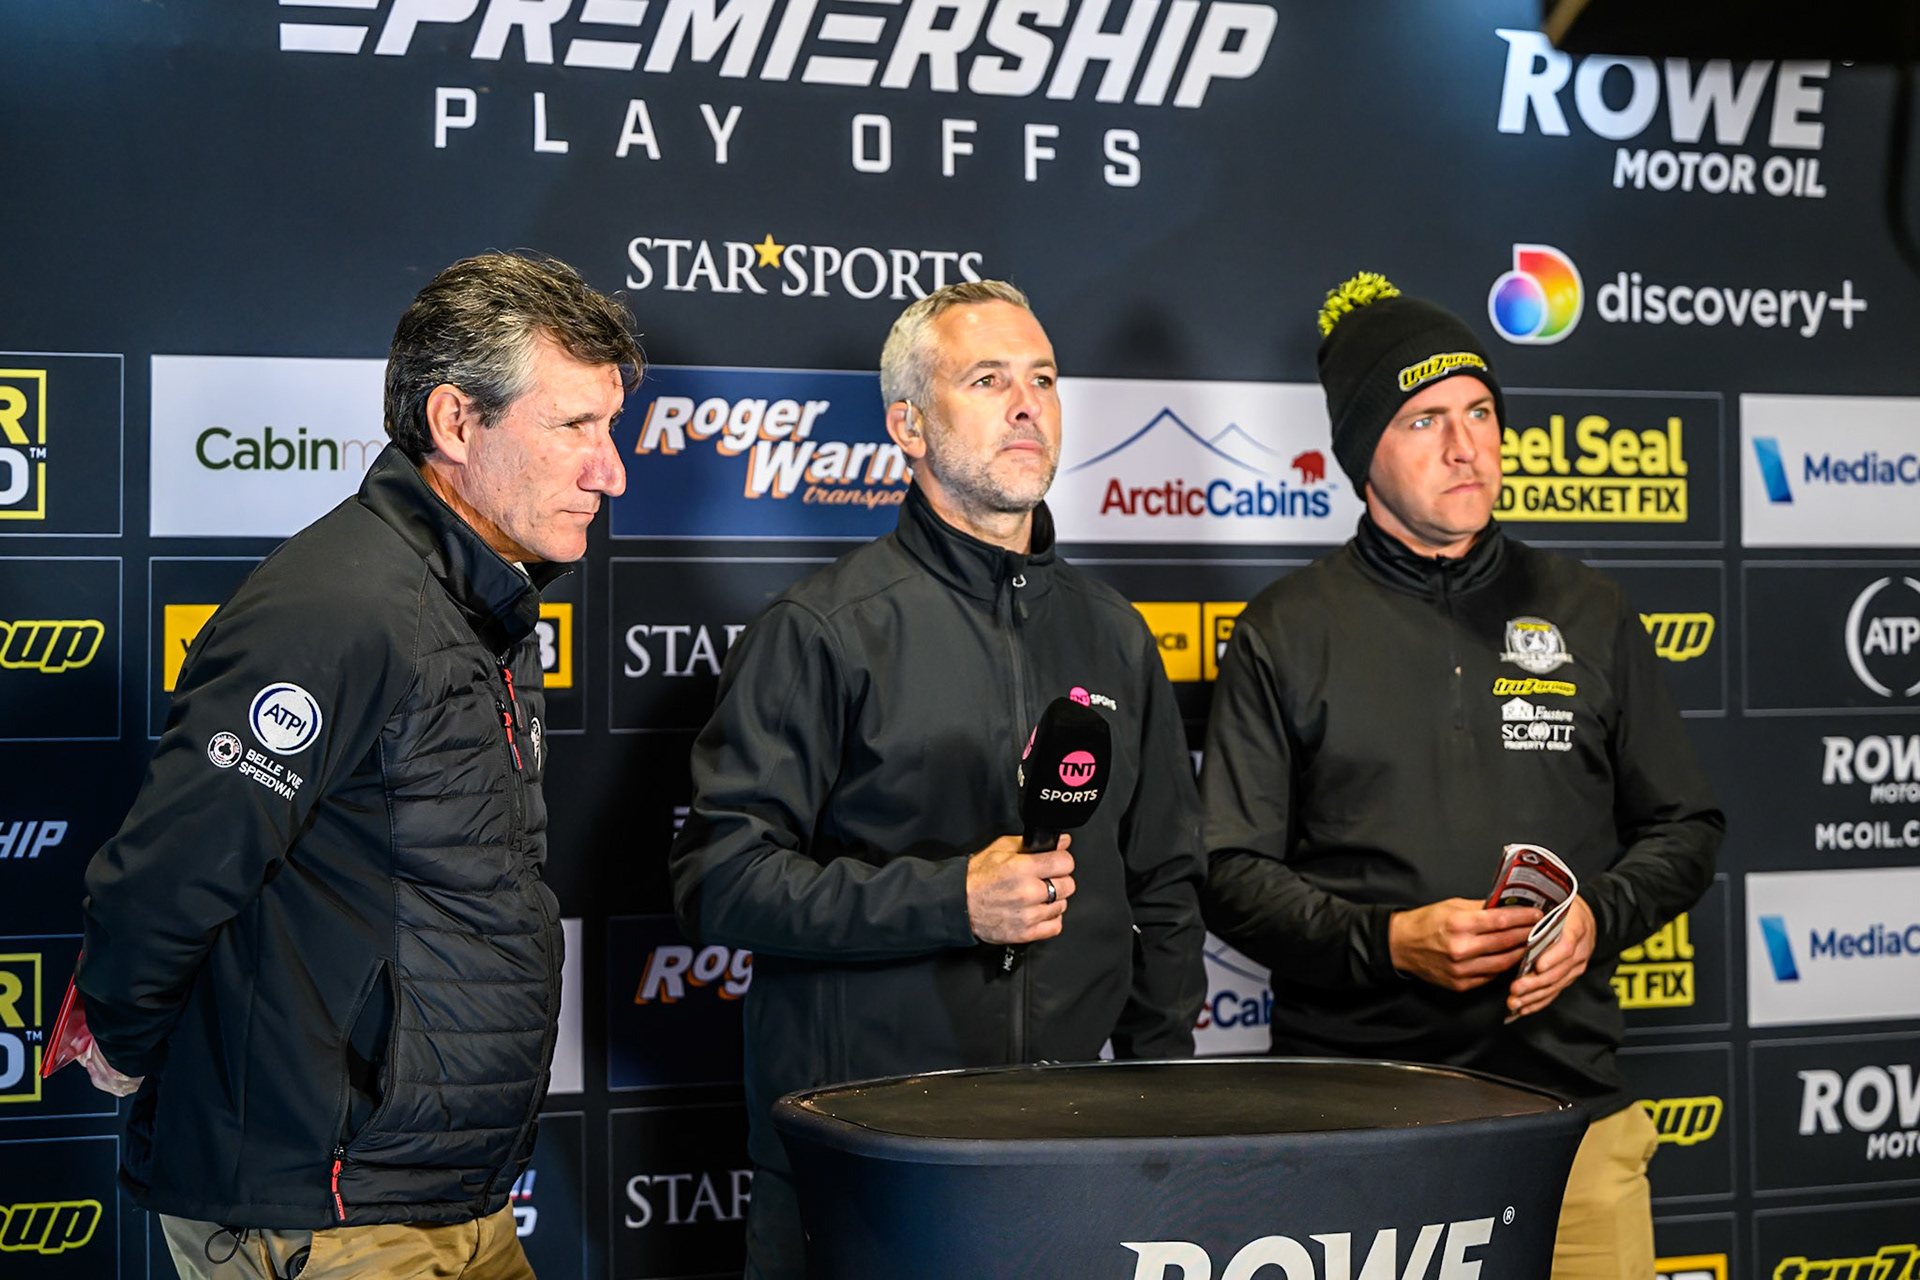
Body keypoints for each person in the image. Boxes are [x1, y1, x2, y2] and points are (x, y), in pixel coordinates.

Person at [76, 252, 638, 1279]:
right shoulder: (341, 606)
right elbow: (170, 865)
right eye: (576, 428)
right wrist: (120, 1024)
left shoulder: (481, 600)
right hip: (323, 1208)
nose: (612, 469)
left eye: (610, 429)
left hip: (446, 1196)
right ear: (457, 422)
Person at [670, 279, 1207, 1280]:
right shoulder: (825, 630)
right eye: (988, 378)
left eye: (1043, 378)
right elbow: (721, 882)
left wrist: (1160, 1107)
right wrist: (951, 897)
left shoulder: (1116, 636)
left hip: (1074, 1165)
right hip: (867, 1170)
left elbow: (1167, 886)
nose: (1026, 404)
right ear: (907, 426)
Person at [1199, 274, 1723, 1280]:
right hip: (1357, 1130)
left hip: (1574, 1119)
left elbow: (1687, 825)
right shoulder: (1287, 630)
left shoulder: (1591, 610)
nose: (1465, 444)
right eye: (1424, 418)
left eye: (1481, 412)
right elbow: (1226, 869)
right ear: (1361, 455)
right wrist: (1387, 941)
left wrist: (1597, 917)